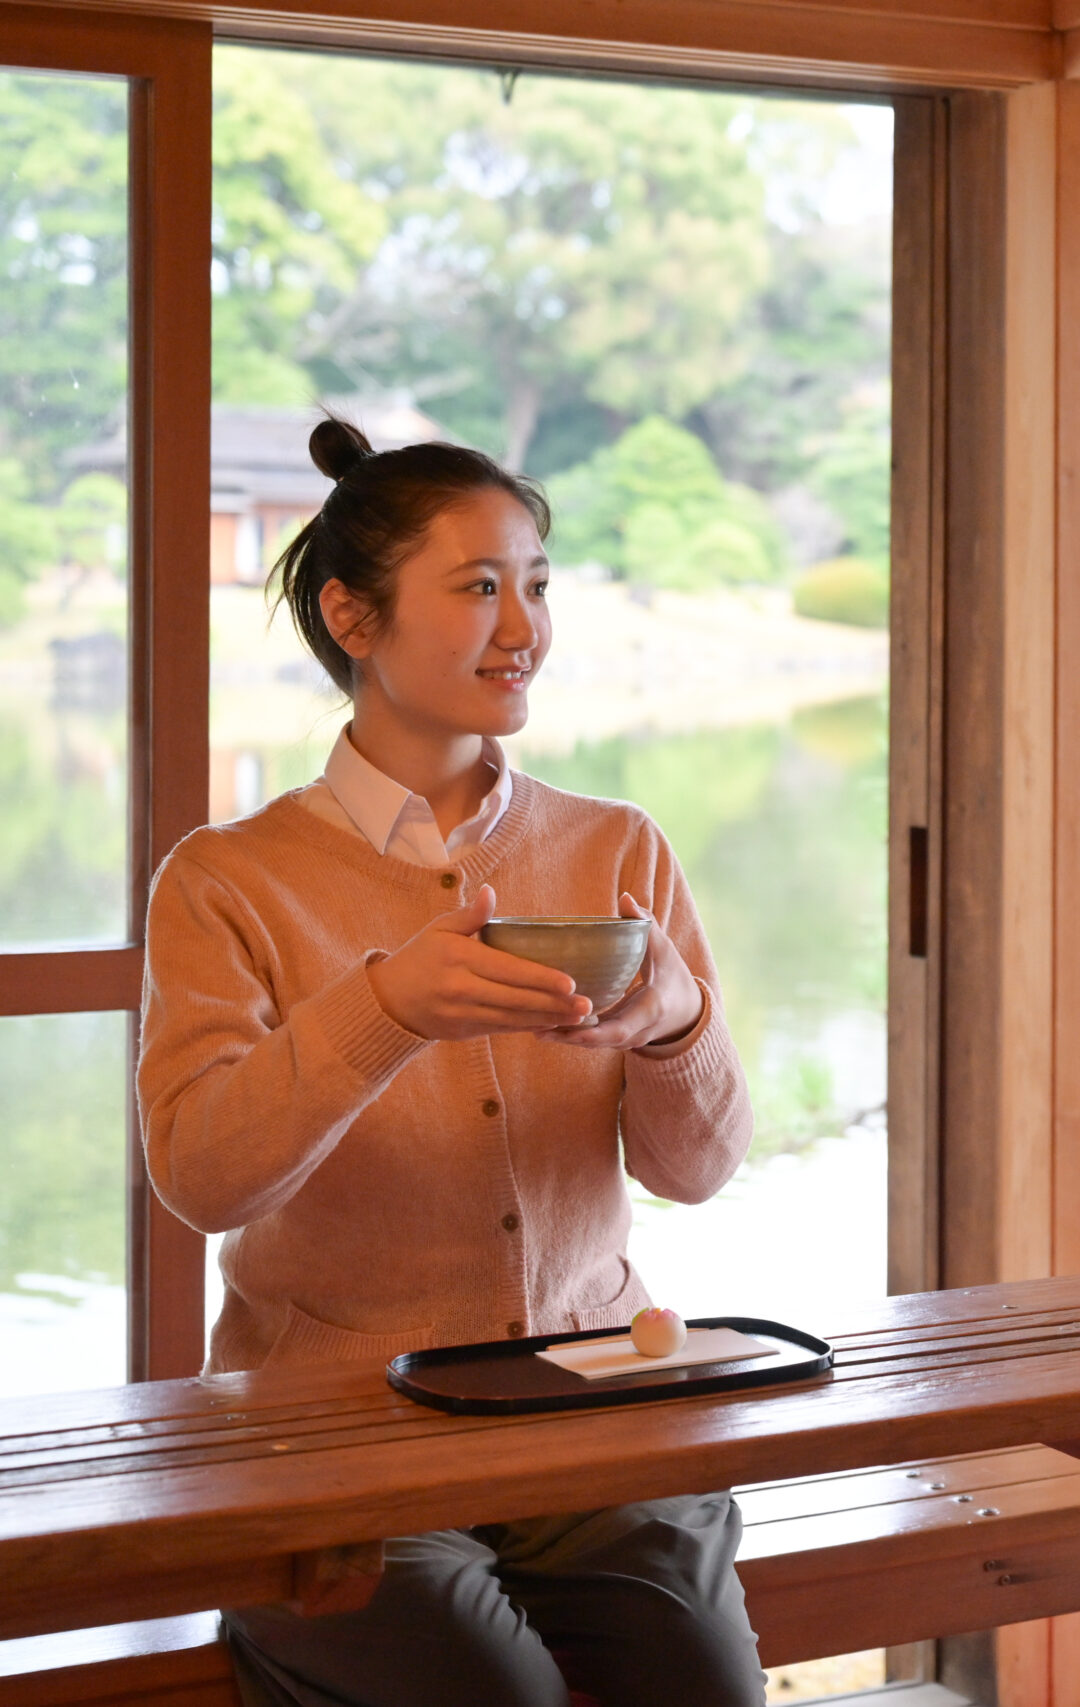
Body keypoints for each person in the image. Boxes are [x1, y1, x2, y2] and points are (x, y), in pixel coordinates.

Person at [136, 416, 767, 1707]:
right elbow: (200, 1177)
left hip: (590, 1408)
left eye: (536, 585)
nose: (524, 626)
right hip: (323, 1435)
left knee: (709, 1692)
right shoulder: (226, 882)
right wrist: (386, 1010)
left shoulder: (616, 852)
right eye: (479, 588)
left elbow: (699, 1171)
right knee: (503, 1700)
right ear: (353, 621)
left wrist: (673, 1020)